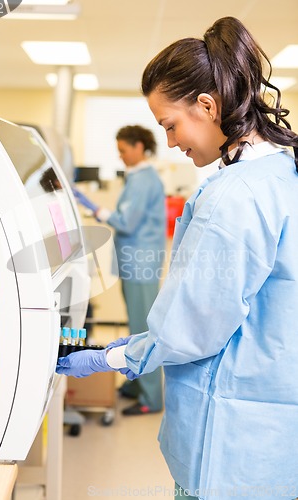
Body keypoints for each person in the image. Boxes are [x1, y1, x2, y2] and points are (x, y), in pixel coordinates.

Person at [57, 16, 298, 500]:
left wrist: (110, 356)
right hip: (271, 443)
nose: (170, 141)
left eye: (171, 125)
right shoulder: (281, 173)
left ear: (207, 106)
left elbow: (192, 326)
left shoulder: (235, 196)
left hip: (227, 446)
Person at [73, 125, 166, 416]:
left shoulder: (145, 180)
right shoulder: (137, 178)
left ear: (139, 147)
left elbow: (126, 222)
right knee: (135, 327)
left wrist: (95, 208)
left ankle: (151, 397)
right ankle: (135, 385)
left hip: (141, 265)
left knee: (143, 331)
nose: (121, 156)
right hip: (134, 263)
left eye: (124, 150)